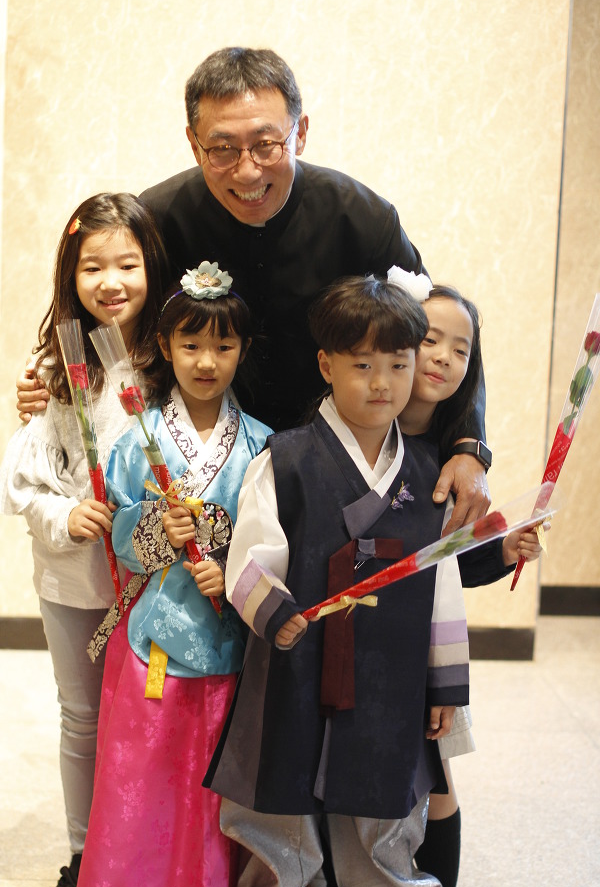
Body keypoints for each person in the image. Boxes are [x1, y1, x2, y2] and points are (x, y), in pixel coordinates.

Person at [16, 46, 491, 532]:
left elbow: (439, 331)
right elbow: (108, 300)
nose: (247, 172)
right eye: (222, 149)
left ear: (300, 133)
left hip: (339, 465)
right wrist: (51, 371)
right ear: (193, 144)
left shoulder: (362, 217)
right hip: (201, 479)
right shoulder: (158, 218)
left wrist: (468, 445)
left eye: (267, 144)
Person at [204, 275, 525, 887]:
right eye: (363, 365)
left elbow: (443, 590)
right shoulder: (286, 460)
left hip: (390, 673)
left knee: (384, 812)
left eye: (398, 365)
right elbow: (249, 558)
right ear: (326, 365)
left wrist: (445, 684)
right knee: (284, 818)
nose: (382, 383)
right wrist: (275, 612)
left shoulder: (430, 474)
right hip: (299, 665)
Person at [76, 264, 272, 887]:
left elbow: (276, 545)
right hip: (153, 643)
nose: (206, 362)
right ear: (164, 346)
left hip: (229, 648)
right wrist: (158, 530)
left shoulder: (264, 446)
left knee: (215, 795)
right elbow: (118, 539)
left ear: (243, 348)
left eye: (223, 345)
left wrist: (232, 571)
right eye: (190, 345)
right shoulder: (137, 441)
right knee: (143, 786)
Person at [0, 193, 169, 887]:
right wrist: (64, 514)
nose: (111, 282)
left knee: (152, 718)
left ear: (152, 265)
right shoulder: (53, 369)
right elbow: (23, 480)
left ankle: (139, 847)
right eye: (92, 266)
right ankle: (82, 853)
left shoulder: (175, 357)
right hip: (74, 580)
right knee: (82, 718)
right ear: (70, 274)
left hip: (157, 584)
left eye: (127, 264)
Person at [396, 282, 543, 887]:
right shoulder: (365, 431)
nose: (443, 357)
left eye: (461, 350)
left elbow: (450, 561)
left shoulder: (458, 461)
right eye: (430, 340)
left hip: (426, 642)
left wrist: (505, 549)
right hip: (364, 630)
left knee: (437, 778)